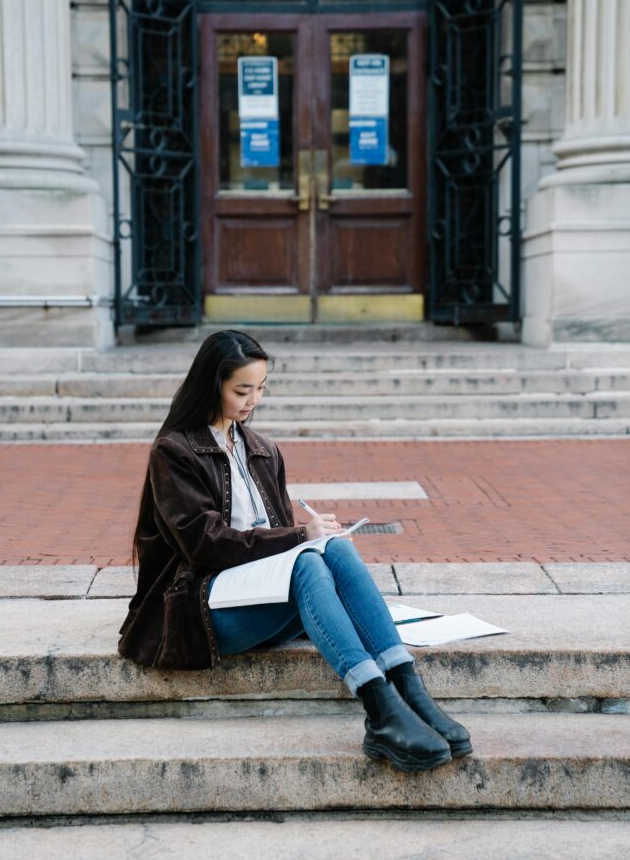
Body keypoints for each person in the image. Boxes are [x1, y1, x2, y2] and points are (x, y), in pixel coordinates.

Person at [118, 329, 471, 772]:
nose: (253, 401)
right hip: (201, 607)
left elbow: (282, 533)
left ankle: (408, 688)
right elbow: (203, 542)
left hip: (260, 595)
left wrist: (312, 536)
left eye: (261, 388)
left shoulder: (262, 450)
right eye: (241, 390)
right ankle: (379, 707)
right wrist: (300, 538)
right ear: (212, 384)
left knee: (336, 551)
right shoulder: (174, 452)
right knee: (306, 559)